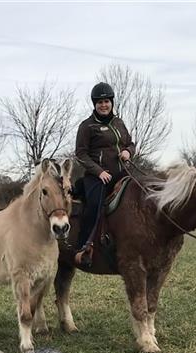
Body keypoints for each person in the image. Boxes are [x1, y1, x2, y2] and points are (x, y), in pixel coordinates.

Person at [74, 82, 135, 264]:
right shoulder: (87, 126)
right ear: (94, 104)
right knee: (94, 204)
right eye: (99, 102)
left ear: (111, 103)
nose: (103, 105)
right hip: (97, 177)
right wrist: (99, 171)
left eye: (106, 101)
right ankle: (84, 245)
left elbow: (130, 143)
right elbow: (81, 153)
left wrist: (128, 152)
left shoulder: (119, 123)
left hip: (123, 174)